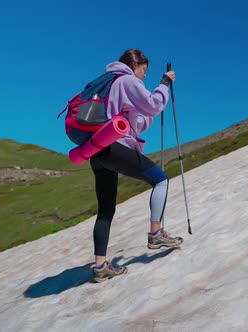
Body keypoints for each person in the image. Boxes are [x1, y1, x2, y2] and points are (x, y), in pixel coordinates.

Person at [90, 49, 183, 283]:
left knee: (105, 209)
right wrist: (164, 83)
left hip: (96, 149)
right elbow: (152, 105)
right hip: (115, 147)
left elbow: (137, 123)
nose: (143, 76)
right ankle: (155, 234)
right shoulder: (128, 80)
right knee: (160, 179)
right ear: (135, 65)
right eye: (144, 70)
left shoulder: (108, 83)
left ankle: (100, 267)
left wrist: (150, 109)